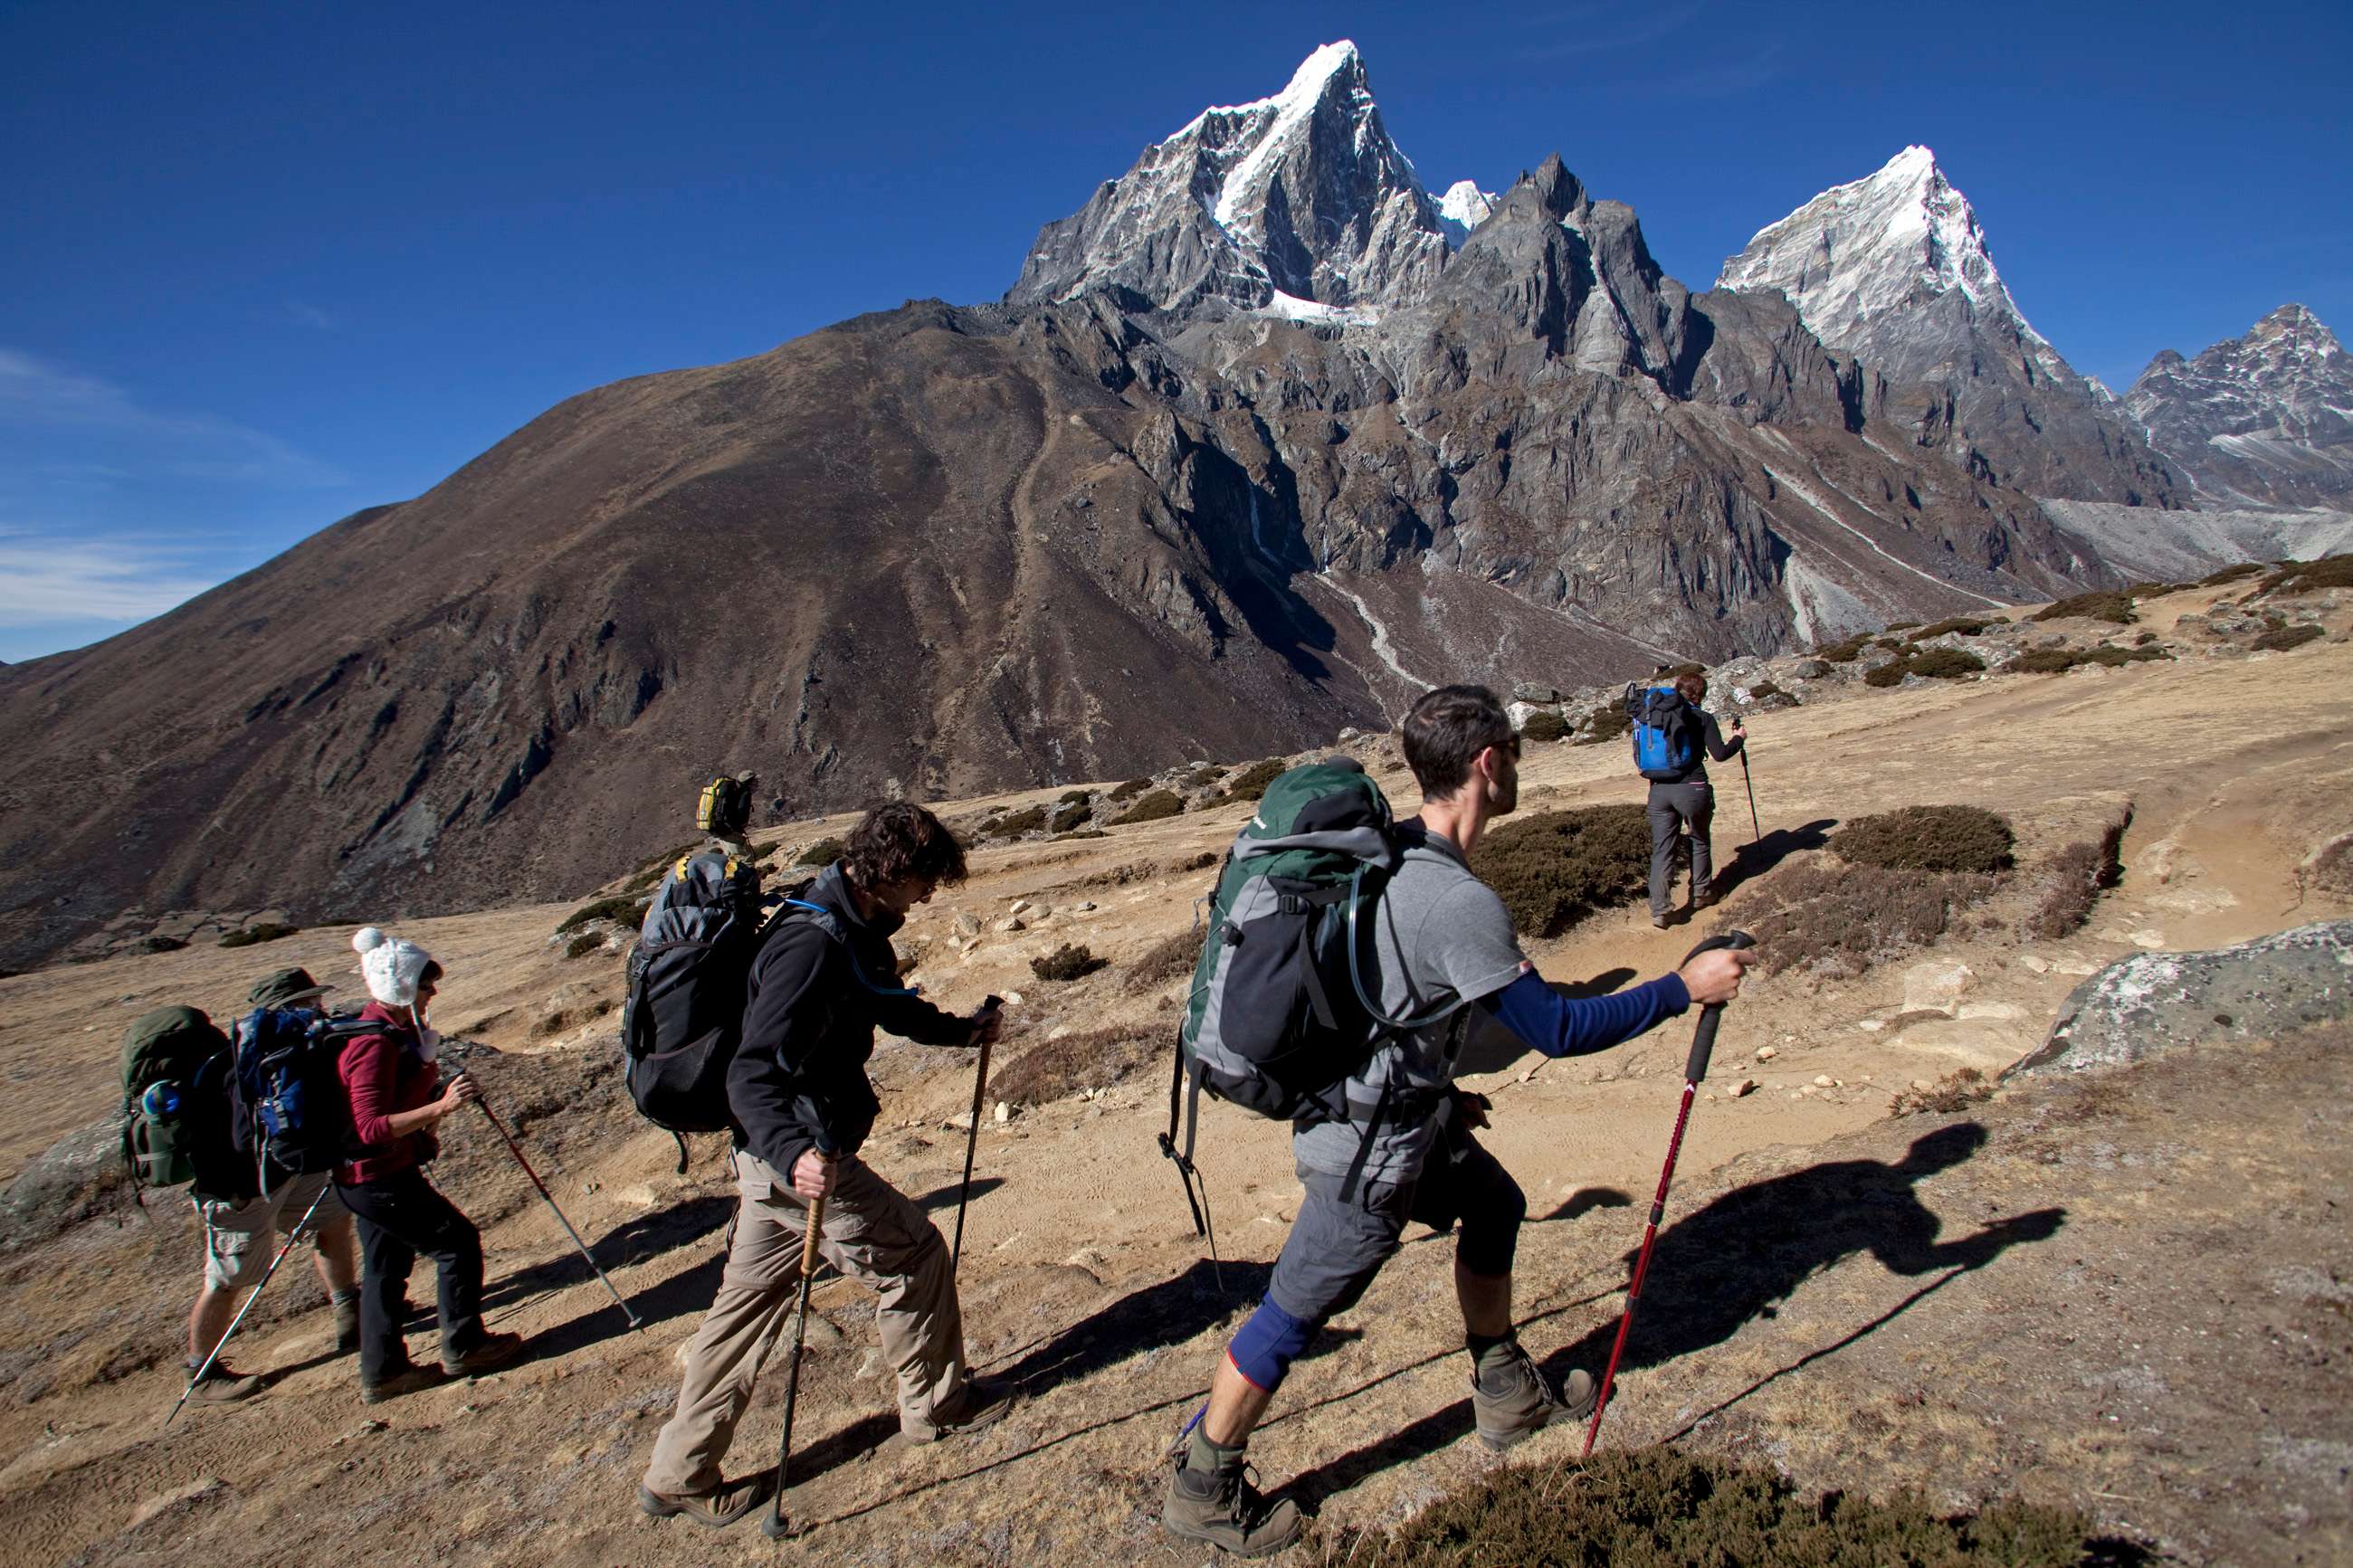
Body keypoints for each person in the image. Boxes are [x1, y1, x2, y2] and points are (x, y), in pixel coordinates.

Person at [1162, 685, 1755, 1556]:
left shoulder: (1393, 850)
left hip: (1406, 1115)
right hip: (1367, 1152)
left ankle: (1506, 1392)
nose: (1518, 764)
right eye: (1513, 751)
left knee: (1494, 1203)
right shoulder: (1455, 902)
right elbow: (1557, 1028)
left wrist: (1437, 1086)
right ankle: (1202, 1484)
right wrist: (1682, 987)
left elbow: (1388, 999)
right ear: (1487, 764)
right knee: (1294, 1309)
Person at [639, 803, 1012, 1530]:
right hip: (801, 1160)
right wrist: (795, 1154)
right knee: (915, 1256)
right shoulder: (810, 945)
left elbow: (885, 1003)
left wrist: (961, 1031)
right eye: (926, 880)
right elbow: (750, 1073)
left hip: (768, 1164)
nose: (930, 894)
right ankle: (938, 1408)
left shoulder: (844, 918)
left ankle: (677, 1473)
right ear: (892, 871)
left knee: (744, 1308)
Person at [336, 927, 523, 1403]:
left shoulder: (390, 1032)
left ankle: (384, 1372)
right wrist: (441, 1107)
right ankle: (466, 1346)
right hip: (379, 1176)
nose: (432, 992)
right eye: (425, 983)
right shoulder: (374, 1045)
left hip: (365, 1177)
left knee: (385, 1269)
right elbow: (370, 1127)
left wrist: (432, 1103)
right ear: (401, 985)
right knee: (457, 1244)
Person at [180, 967, 363, 1404]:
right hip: (239, 1188)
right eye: (310, 1001)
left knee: (333, 1222)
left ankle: (351, 1314)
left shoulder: (293, 1048)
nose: (319, 1007)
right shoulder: (241, 1061)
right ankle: (201, 1373)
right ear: (288, 1007)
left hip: (290, 1168)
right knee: (228, 1279)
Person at [1646, 672, 1745, 929]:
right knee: (1699, 839)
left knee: (1662, 850)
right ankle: (1701, 892)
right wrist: (1739, 738)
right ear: (1700, 695)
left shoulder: (1655, 716)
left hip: (1658, 790)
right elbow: (1720, 754)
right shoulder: (1703, 718)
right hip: (1693, 788)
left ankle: (1660, 910)